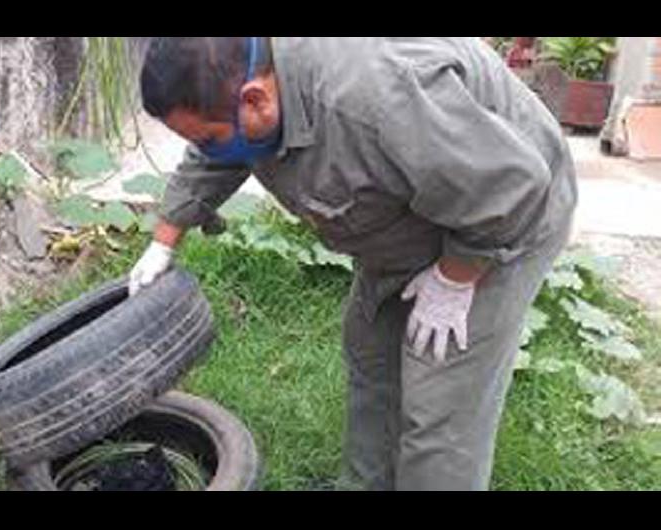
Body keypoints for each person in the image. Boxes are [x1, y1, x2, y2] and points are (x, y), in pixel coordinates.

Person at [129, 37, 577, 491]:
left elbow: (509, 189)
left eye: (207, 138)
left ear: (256, 99)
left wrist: (453, 280)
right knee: (373, 352)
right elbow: (218, 148)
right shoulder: (247, 82)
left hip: (501, 210)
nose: (208, 148)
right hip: (416, 200)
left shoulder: (378, 100)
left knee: (439, 398)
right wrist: (165, 239)